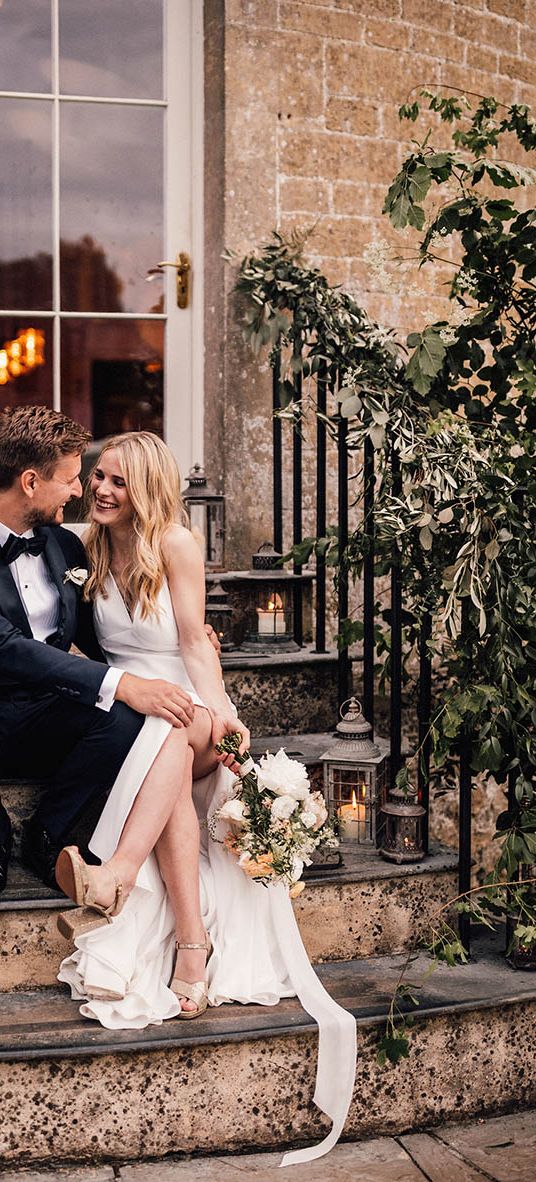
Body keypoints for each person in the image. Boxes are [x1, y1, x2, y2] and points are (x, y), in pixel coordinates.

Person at [57, 431, 356, 1167]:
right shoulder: (87, 547)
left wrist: (222, 709)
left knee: (179, 727)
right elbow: (87, 650)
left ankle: (120, 876)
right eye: (96, 477)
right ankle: (193, 944)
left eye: (118, 482)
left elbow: (194, 641)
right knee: (164, 749)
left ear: (149, 487)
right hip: (126, 707)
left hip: (180, 699)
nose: (101, 491)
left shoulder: (178, 545)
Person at [0, 405, 221, 896]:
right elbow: (9, 647)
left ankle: (50, 836)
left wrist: (186, 648)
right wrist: (124, 682)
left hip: (56, 705)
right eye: (78, 478)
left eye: (107, 479)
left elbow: (99, 631)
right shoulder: (86, 541)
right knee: (144, 716)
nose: (85, 490)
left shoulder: (65, 545)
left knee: (134, 721)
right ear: (32, 483)